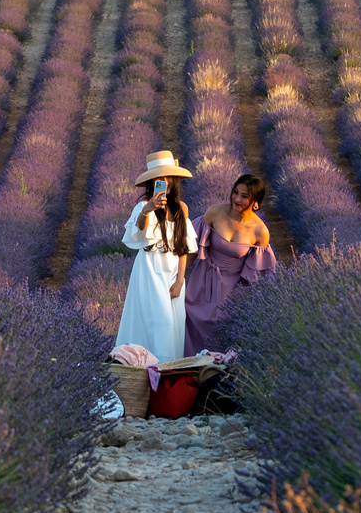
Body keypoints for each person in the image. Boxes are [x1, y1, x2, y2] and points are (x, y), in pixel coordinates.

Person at [116, 151, 199, 363]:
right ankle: (145, 369)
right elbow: (140, 229)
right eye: (159, 178)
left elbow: (184, 247)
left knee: (173, 324)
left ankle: (167, 375)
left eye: (168, 177)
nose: (165, 182)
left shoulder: (182, 208)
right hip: (150, 268)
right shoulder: (143, 206)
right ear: (152, 182)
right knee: (157, 323)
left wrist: (181, 280)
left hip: (172, 271)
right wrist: (149, 209)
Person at [183, 173, 276, 356]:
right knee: (189, 322)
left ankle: (217, 379)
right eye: (235, 192)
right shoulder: (215, 213)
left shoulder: (260, 232)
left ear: (255, 201)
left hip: (231, 292)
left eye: (244, 196)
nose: (237, 199)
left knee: (222, 333)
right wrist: (176, 278)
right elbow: (191, 249)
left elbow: (258, 276)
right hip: (202, 281)